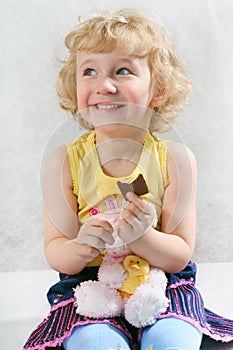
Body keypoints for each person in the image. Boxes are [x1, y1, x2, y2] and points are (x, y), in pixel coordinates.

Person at [23, 8, 233, 350]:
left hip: (161, 282)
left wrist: (143, 238)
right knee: (95, 343)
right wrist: (79, 247)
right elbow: (56, 251)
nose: (103, 86)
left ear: (159, 89)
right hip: (90, 284)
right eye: (89, 71)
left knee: (172, 341)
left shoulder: (176, 160)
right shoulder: (63, 161)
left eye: (122, 71)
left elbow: (179, 255)